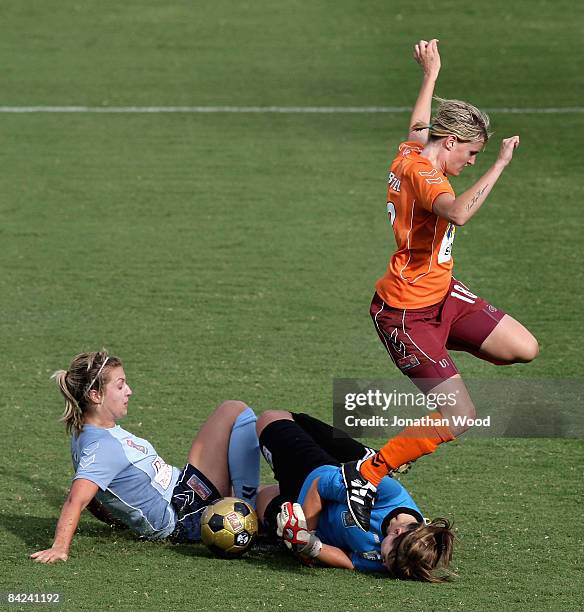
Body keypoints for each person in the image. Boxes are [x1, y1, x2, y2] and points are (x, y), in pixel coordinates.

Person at [342, 38, 540, 531]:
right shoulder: (429, 180)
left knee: (523, 348)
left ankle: (442, 353)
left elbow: (416, 125)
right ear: (450, 144)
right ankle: (368, 471)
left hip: (443, 295)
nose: (472, 160)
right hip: (405, 314)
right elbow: (460, 213)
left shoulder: (413, 149)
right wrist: (499, 166)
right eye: (471, 153)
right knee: (457, 415)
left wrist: (430, 73)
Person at [30, 350, 260, 563]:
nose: (129, 390)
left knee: (275, 496)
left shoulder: (89, 433)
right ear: (95, 395)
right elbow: (77, 499)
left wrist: (117, 519)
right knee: (233, 410)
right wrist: (60, 547)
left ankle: (245, 505)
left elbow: (98, 492)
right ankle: (244, 510)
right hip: (183, 513)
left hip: (183, 493)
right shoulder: (101, 447)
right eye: (120, 387)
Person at [255, 410, 454, 582]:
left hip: (303, 509)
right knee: (271, 419)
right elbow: (319, 485)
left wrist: (310, 547)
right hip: (313, 477)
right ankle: (368, 458)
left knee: (261, 499)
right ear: (398, 531)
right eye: (387, 558)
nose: (383, 564)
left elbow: (351, 561)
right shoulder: (389, 494)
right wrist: (307, 531)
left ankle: (364, 460)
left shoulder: (399, 559)